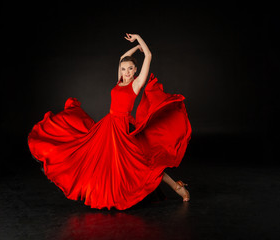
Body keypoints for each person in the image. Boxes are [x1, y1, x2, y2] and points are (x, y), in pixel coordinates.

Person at [28, 33, 192, 210]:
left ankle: (177, 187)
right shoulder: (119, 81)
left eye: (130, 69)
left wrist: (138, 39)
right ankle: (101, 191)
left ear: (135, 70)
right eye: (124, 69)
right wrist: (134, 48)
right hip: (108, 125)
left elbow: (149, 55)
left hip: (122, 127)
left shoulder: (135, 85)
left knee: (143, 165)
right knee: (97, 158)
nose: (126, 72)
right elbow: (122, 57)